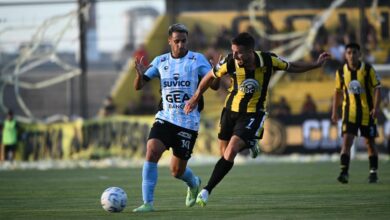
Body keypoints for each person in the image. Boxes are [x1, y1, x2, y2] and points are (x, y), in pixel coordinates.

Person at [184, 32, 330, 206]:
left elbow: (291, 66)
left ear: (250, 51)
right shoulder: (230, 61)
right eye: (233, 51)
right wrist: (195, 98)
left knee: (231, 151)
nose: (235, 55)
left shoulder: (268, 60)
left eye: (238, 52)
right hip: (230, 111)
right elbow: (210, 77)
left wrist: (315, 65)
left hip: (253, 113)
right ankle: (251, 142)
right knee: (223, 153)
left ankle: (206, 191)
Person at [132, 23, 220, 212]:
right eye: (177, 41)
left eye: (184, 41)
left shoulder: (197, 60)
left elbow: (214, 86)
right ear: (170, 41)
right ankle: (148, 203)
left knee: (176, 171)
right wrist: (139, 75)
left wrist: (217, 74)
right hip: (165, 117)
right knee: (152, 150)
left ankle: (194, 183)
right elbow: (138, 87)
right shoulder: (160, 61)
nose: (181, 44)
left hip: (188, 122)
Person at [331, 43, 381, 184]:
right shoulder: (341, 72)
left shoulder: (368, 70)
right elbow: (337, 92)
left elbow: (377, 88)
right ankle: (344, 172)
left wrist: (376, 107)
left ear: (359, 54)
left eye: (354, 52)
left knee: (369, 143)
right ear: (345, 55)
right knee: (347, 141)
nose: (352, 55)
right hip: (350, 113)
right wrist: (334, 111)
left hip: (367, 113)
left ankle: (373, 172)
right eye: (349, 53)